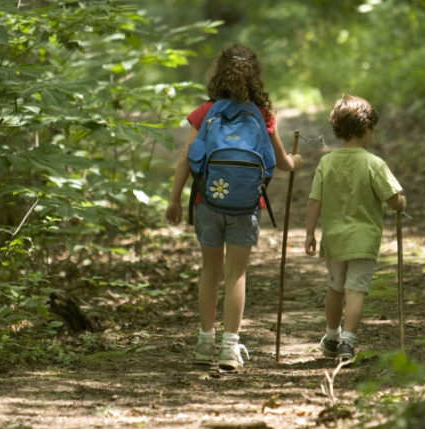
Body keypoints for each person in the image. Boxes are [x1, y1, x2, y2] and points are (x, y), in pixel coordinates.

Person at [165, 44, 303, 370]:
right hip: (245, 206)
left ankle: (203, 343)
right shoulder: (263, 114)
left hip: (207, 201)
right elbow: (282, 163)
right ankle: (230, 348)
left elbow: (187, 158)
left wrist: (174, 200)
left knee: (210, 272)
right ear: (255, 76)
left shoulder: (205, 111)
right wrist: (295, 160)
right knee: (236, 274)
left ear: (219, 73)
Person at [304, 94, 406, 361]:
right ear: (366, 128)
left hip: (335, 240)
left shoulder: (327, 162)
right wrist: (402, 202)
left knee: (335, 288)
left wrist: (309, 233)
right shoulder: (374, 164)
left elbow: (315, 200)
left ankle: (331, 336)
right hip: (363, 241)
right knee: (356, 290)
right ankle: (347, 343)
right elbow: (394, 201)